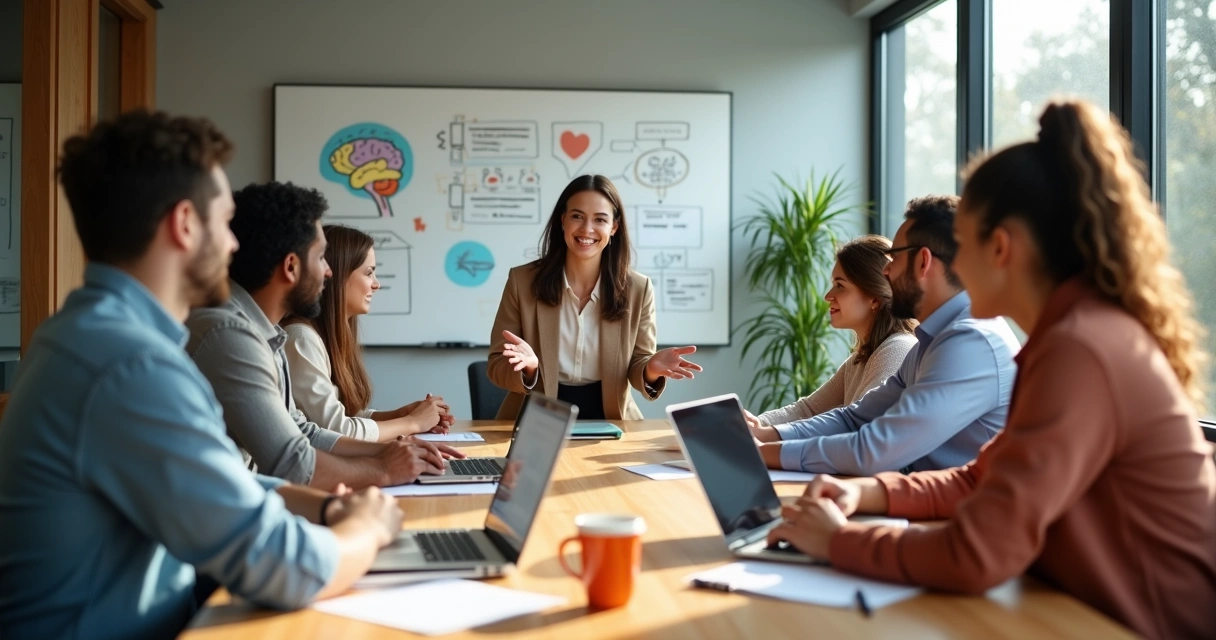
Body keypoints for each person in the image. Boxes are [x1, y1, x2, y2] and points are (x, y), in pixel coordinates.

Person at [768, 101, 1216, 640]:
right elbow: (983, 479)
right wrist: (867, 494)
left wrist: (838, 541)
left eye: (964, 244)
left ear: (999, 248)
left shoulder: (1080, 350)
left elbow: (977, 552)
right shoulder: (1067, 337)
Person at [0, 111, 405, 639]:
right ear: (185, 224)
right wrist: (366, 530)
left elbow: (218, 480)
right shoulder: (130, 366)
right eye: (224, 220)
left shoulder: (81, 335)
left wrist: (328, 506)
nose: (235, 244)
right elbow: (284, 568)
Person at [186, 182, 464, 490]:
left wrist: (391, 450)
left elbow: (303, 431)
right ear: (291, 267)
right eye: (321, 258)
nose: (329, 272)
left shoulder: (266, 333)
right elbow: (291, 461)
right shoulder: (231, 337)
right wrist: (384, 470)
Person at [751, 196, 1021, 475]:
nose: (886, 271)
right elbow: (854, 418)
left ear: (923, 262)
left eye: (894, 257)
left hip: (950, 512)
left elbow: (875, 450)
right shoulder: (931, 342)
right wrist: (766, 437)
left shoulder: (970, 342)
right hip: (918, 502)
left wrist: (761, 452)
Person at [487, 175, 703, 420]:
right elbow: (496, 365)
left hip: (611, 417)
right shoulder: (522, 281)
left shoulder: (638, 289)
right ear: (563, 221)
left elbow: (637, 363)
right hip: (534, 417)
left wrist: (650, 368)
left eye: (600, 219)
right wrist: (528, 370)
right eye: (577, 216)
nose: (587, 229)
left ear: (614, 227)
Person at [284, 225, 455, 441]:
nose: (376, 284)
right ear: (336, 276)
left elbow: (346, 416)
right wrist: (412, 423)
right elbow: (337, 430)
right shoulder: (301, 338)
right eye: (369, 273)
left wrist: (402, 415)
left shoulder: (325, 335)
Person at [743, 235, 917, 428]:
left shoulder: (897, 349)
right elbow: (808, 410)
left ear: (874, 298)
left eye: (840, 286)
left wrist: (768, 435)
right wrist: (756, 424)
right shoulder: (860, 359)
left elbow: (858, 427)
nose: (828, 296)